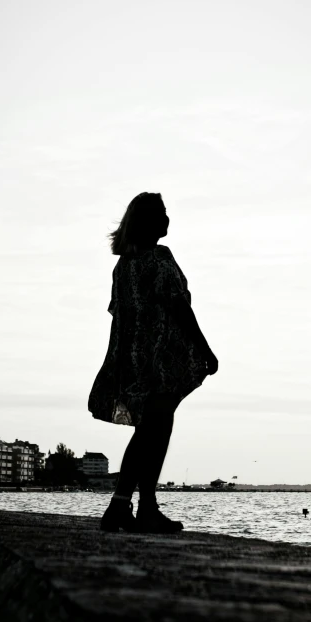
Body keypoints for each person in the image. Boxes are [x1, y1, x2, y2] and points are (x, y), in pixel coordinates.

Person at [88, 192, 218, 534]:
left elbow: (120, 319)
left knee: (149, 432)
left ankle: (127, 507)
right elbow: (180, 308)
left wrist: (117, 363)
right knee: (155, 432)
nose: (167, 219)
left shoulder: (123, 267)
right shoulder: (160, 259)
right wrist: (206, 350)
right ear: (148, 222)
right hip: (161, 361)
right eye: (161, 213)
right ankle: (141, 508)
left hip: (133, 361)